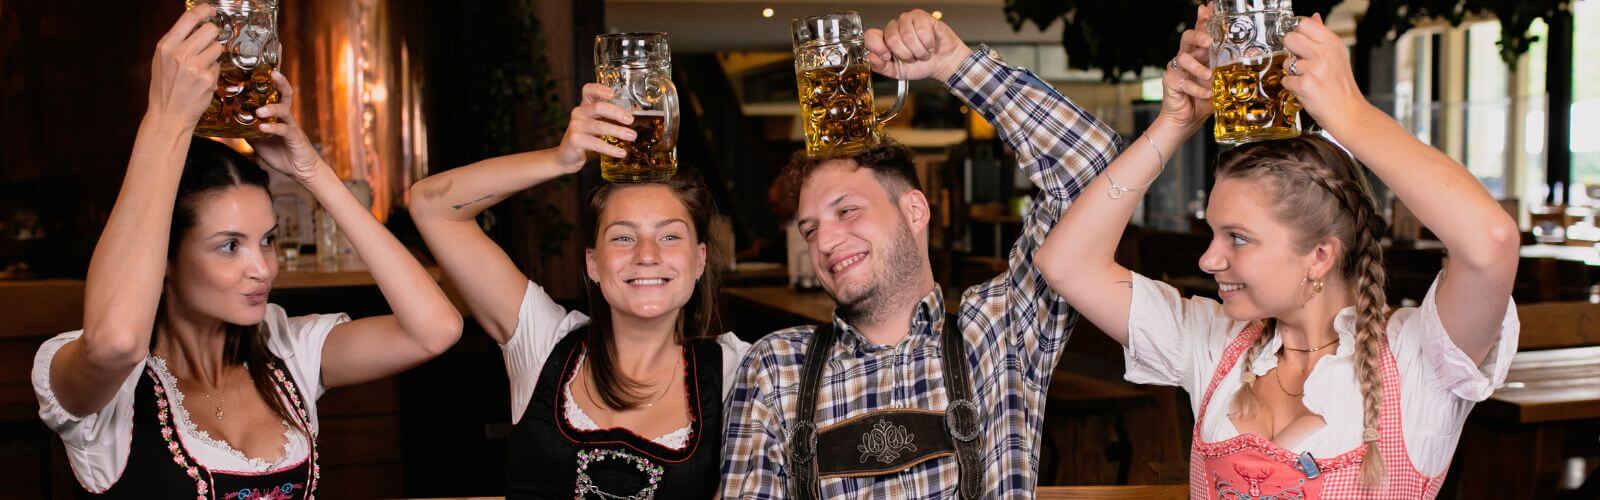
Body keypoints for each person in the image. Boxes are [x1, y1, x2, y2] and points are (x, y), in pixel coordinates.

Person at [1035, 6, 1520, 497]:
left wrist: (1349, 115)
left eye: (1238, 237)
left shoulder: (1419, 362)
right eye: (1213, 233)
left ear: (1320, 256)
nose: (1209, 260)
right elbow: (1066, 263)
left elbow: (1490, 242)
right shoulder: (1216, 343)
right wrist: (1174, 124)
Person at [31, 6, 463, 497]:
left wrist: (311, 170)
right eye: (229, 246)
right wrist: (165, 121)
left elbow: (436, 328)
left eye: (268, 240)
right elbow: (116, 342)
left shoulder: (286, 352)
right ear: (164, 262)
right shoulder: (98, 386)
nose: (262, 269)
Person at [720, 9, 1121, 498]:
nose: (824, 242)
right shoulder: (777, 367)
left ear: (914, 210)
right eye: (810, 229)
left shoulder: (1000, 330)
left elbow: (1091, 165)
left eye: (847, 211)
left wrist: (955, 63)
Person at [408, 83, 751, 499]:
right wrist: (559, 158)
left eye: (669, 237)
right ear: (593, 263)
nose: (646, 255)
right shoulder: (541, 340)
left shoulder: (737, 370)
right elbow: (432, 206)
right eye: (623, 238)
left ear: (698, 262)